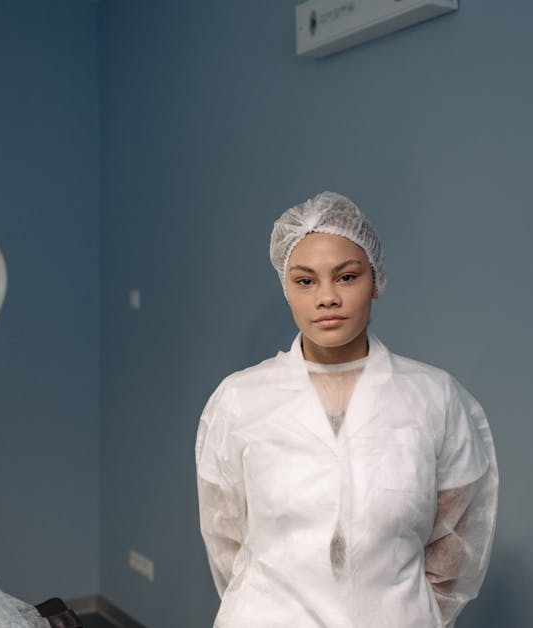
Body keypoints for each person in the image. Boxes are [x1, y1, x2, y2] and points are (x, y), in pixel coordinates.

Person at [195, 192, 498, 628]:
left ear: (375, 281)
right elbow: (225, 539)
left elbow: (458, 539)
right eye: (305, 281)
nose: (327, 297)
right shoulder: (239, 399)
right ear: (286, 289)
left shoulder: (434, 398)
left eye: (347, 277)